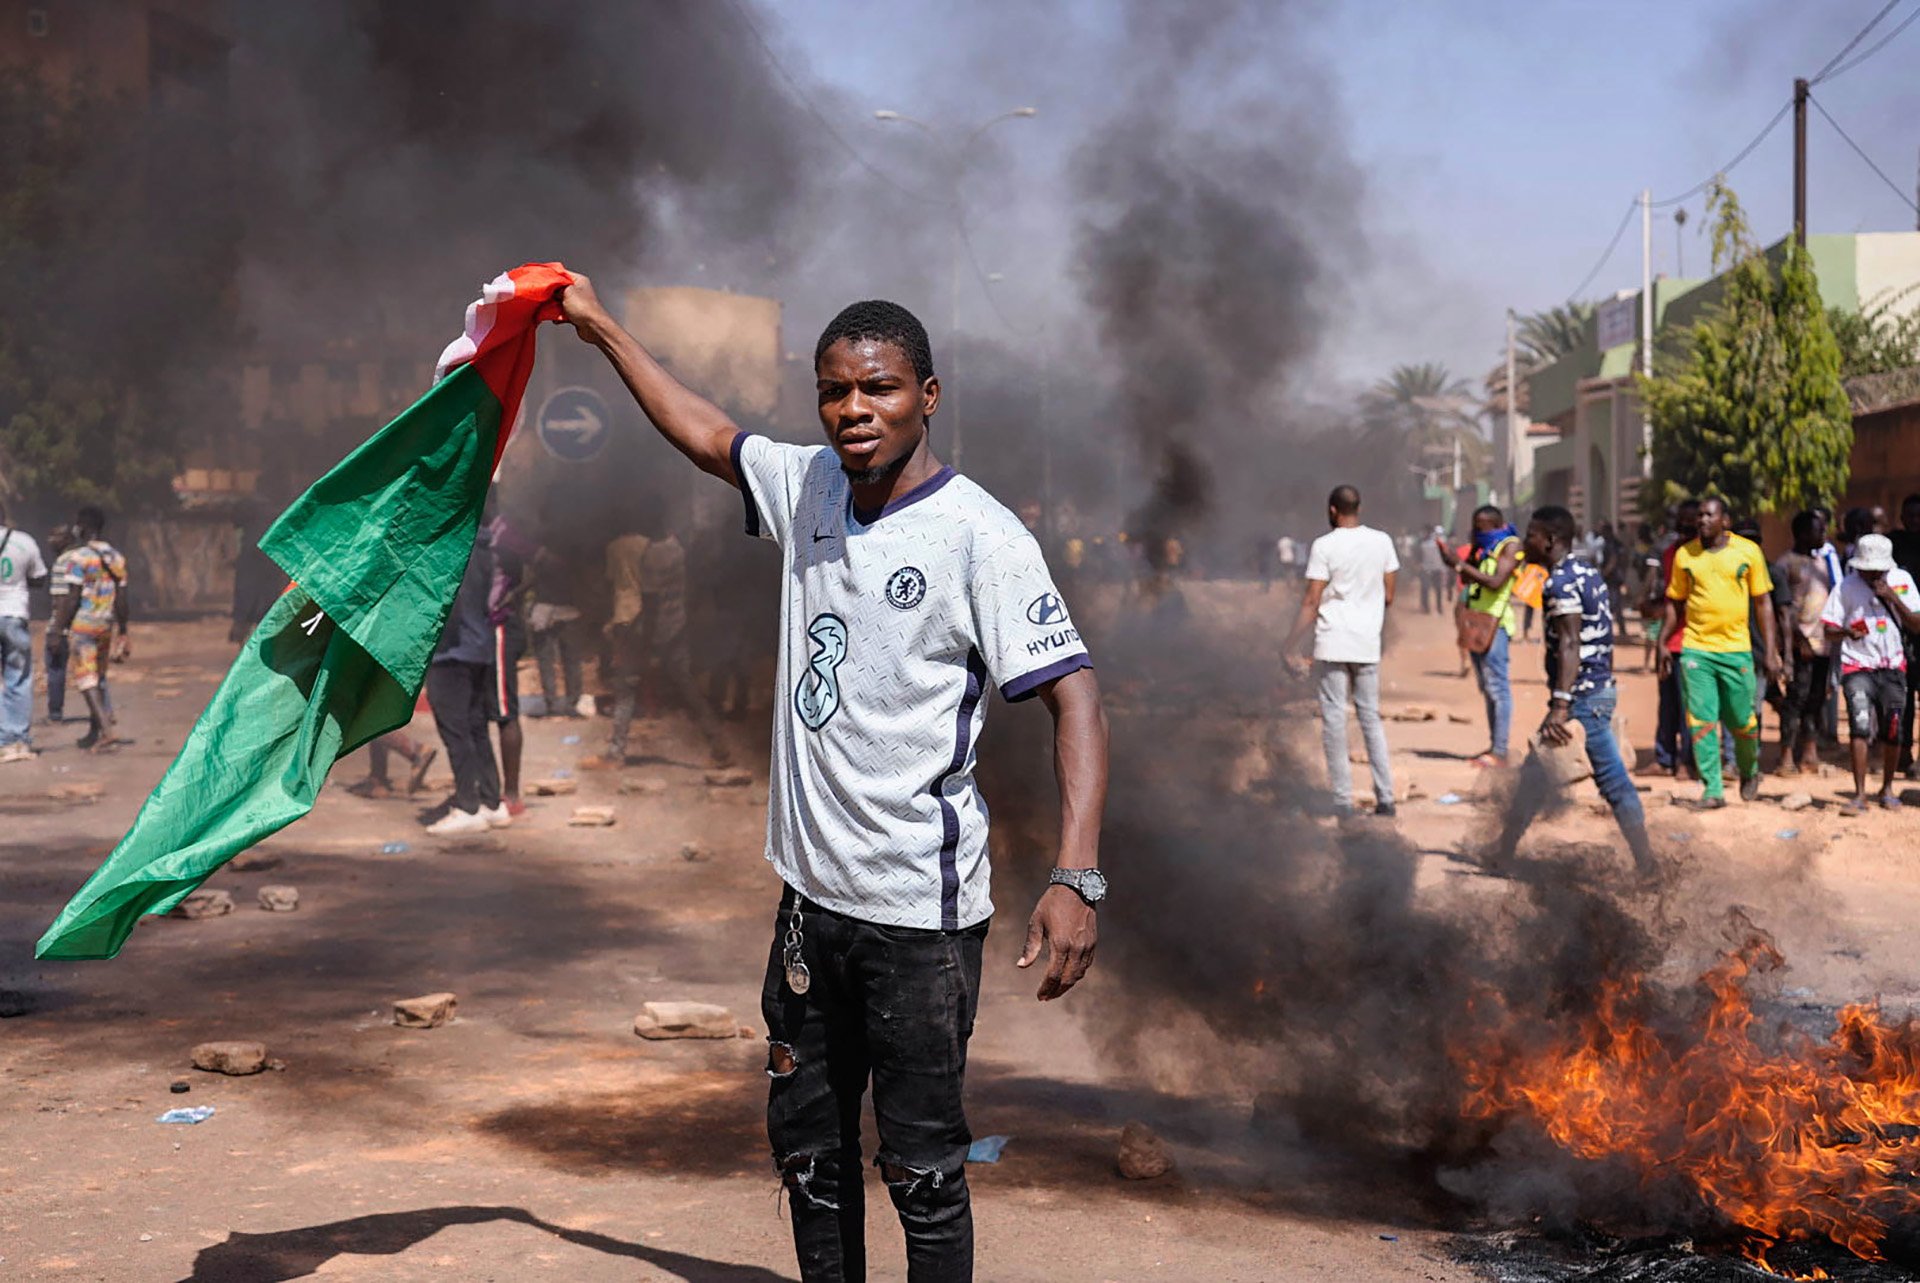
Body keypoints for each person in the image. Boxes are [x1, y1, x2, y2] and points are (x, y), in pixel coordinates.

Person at [560, 280, 1107, 1283]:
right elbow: (707, 432)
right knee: (809, 1152)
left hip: (920, 921)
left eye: (880, 389)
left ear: (929, 395)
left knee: (923, 1168)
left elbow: (1075, 695)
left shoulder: (981, 537)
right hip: (812, 910)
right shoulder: (808, 485)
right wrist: (599, 329)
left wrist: (1077, 875)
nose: (855, 410)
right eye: (835, 392)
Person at [1525, 506, 1654, 872]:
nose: (1525, 541)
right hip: (1595, 690)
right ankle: (1502, 849)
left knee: (1613, 782)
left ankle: (1648, 865)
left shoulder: (1560, 582)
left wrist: (1561, 704)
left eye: (1531, 534)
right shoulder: (1585, 571)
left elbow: (1569, 644)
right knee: (1534, 771)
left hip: (1582, 698)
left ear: (1550, 540)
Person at [1282, 484, 1398, 818]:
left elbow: (1311, 600)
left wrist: (1288, 645)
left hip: (1333, 642)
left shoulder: (1324, 546)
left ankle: (1343, 801)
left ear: (1333, 510)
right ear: (1358, 507)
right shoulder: (1382, 542)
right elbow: (1389, 596)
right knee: (1370, 718)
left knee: (1334, 720)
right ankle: (1386, 798)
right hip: (1366, 644)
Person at [1662, 497, 1781, 808]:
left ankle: (1749, 769)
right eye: (1699, 515)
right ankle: (1712, 789)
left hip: (1736, 650)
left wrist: (1771, 651)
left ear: (1725, 520)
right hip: (1696, 650)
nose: (1701, 520)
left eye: (1708, 515)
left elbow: (1763, 603)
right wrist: (1663, 641)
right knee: (1701, 721)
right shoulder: (1685, 555)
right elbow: (1675, 602)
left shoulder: (1747, 552)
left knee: (1742, 721)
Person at [1820, 532, 1919, 812]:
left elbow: (1917, 623)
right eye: (1867, 569)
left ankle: (1887, 789)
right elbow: (1828, 630)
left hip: (1893, 667)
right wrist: (1845, 632)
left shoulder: (1902, 581)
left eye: (1877, 569)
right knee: (1860, 726)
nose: (1872, 574)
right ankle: (1860, 794)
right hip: (1857, 666)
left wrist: (1892, 597)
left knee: (1893, 728)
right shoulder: (1846, 587)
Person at [423, 527, 510, 835]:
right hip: (480, 646)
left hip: (451, 653)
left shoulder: (448, 546)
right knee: (476, 728)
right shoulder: (487, 545)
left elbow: (446, 600)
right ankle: (491, 802)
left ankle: (467, 806)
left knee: (455, 731)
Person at [1439, 506, 1521, 767]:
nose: (1475, 530)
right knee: (1487, 688)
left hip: (1495, 624)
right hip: (1477, 622)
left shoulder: (1509, 546)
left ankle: (1500, 751)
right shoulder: (1483, 546)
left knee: (1498, 688)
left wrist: (1460, 564)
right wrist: (1455, 559)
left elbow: (1496, 581)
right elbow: (1470, 572)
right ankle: (1494, 747)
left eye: (1479, 526)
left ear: (1493, 525)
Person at [49, 506, 129, 752]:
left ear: (83, 526)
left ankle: (106, 731)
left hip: (84, 626)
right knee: (99, 678)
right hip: (106, 624)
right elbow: (122, 598)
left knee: (86, 679)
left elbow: (71, 598)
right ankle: (94, 732)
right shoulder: (116, 557)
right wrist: (124, 630)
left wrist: (58, 630)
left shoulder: (78, 558)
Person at [1772, 510, 1834, 775]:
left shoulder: (1823, 563)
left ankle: (1809, 752)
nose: (1824, 534)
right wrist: (1798, 641)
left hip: (1823, 644)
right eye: (1818, 530)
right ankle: (1785, 756)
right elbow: (1783, 611)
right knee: (1796, 699)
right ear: (1802, 533)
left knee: (1816, 699)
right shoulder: (1786, 564)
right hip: (1800, 646)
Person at [1646, 499, 1702, 776]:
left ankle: (1686, 760)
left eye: (1693, 518)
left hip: (1693, 639)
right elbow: (1671, 596)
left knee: (1688, 706)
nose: (1687, 524)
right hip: (1670, 637)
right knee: (1667, 702)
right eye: (1683, 518)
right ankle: (1664, 757)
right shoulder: (1671, 552)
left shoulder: (1702, 555)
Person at [486, 504, 531, 818]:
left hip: (500, 627)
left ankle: (511, 794)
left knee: (504, 710)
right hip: (483, 629)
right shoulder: (482, 531)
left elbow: (542, 564)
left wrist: (509, 596)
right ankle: (489, 789)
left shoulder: (504, 534)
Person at [0, 509, 49, 761]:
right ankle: (16, 741)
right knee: (18, 678)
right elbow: (40, 577)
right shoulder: (24, 541)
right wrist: (15, 583)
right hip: (14, 615)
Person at [1889, 492, 1920, 778]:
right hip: (1900, 633)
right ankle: (1903, 752)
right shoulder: (1893, 545)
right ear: (1901, 518)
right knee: (1904, 697)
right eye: (1909, 516)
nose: (1914, 521)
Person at [1417, 525, 1447, 614]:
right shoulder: (1428, 544)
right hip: (1430, 569)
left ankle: (1434, 607)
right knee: (1432, 589)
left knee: (1432, 589)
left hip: (1432, 569)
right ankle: (1432, 608)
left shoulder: (1425, 544)